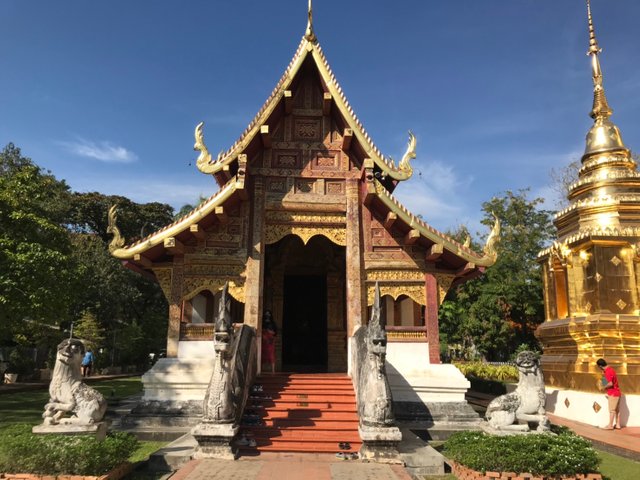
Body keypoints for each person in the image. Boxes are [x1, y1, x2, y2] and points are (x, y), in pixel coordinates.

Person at [596, 358, 622, 429]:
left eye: (599, 367)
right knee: (617, 410)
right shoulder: (611, 370)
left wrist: (603, 388)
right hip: (617, 393)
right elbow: (608, 381)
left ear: (600, 366)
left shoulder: (607, 371)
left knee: (612, 410)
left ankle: (610, 425)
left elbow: (610, 383)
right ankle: (618, 424)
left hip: (613, 393)